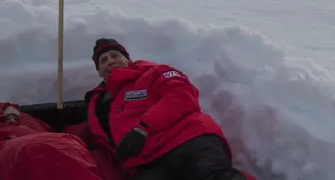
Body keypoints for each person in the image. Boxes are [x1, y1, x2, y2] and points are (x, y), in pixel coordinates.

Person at [85, 39, 252, 180]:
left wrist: (143, 128)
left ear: (128, 60)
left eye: (115, 56)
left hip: (187, 139)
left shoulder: (154, 73)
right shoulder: (99, 104)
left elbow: (181, 96)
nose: (111, 61)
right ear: (99, 72)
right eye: (103, 60)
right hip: (149, 164)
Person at [0, 102, 111, 180]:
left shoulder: (34, 124)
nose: (11, 115)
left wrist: (98, 125)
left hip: (52, 148)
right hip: (8, 156)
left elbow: (70, 134)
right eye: (5, 111)